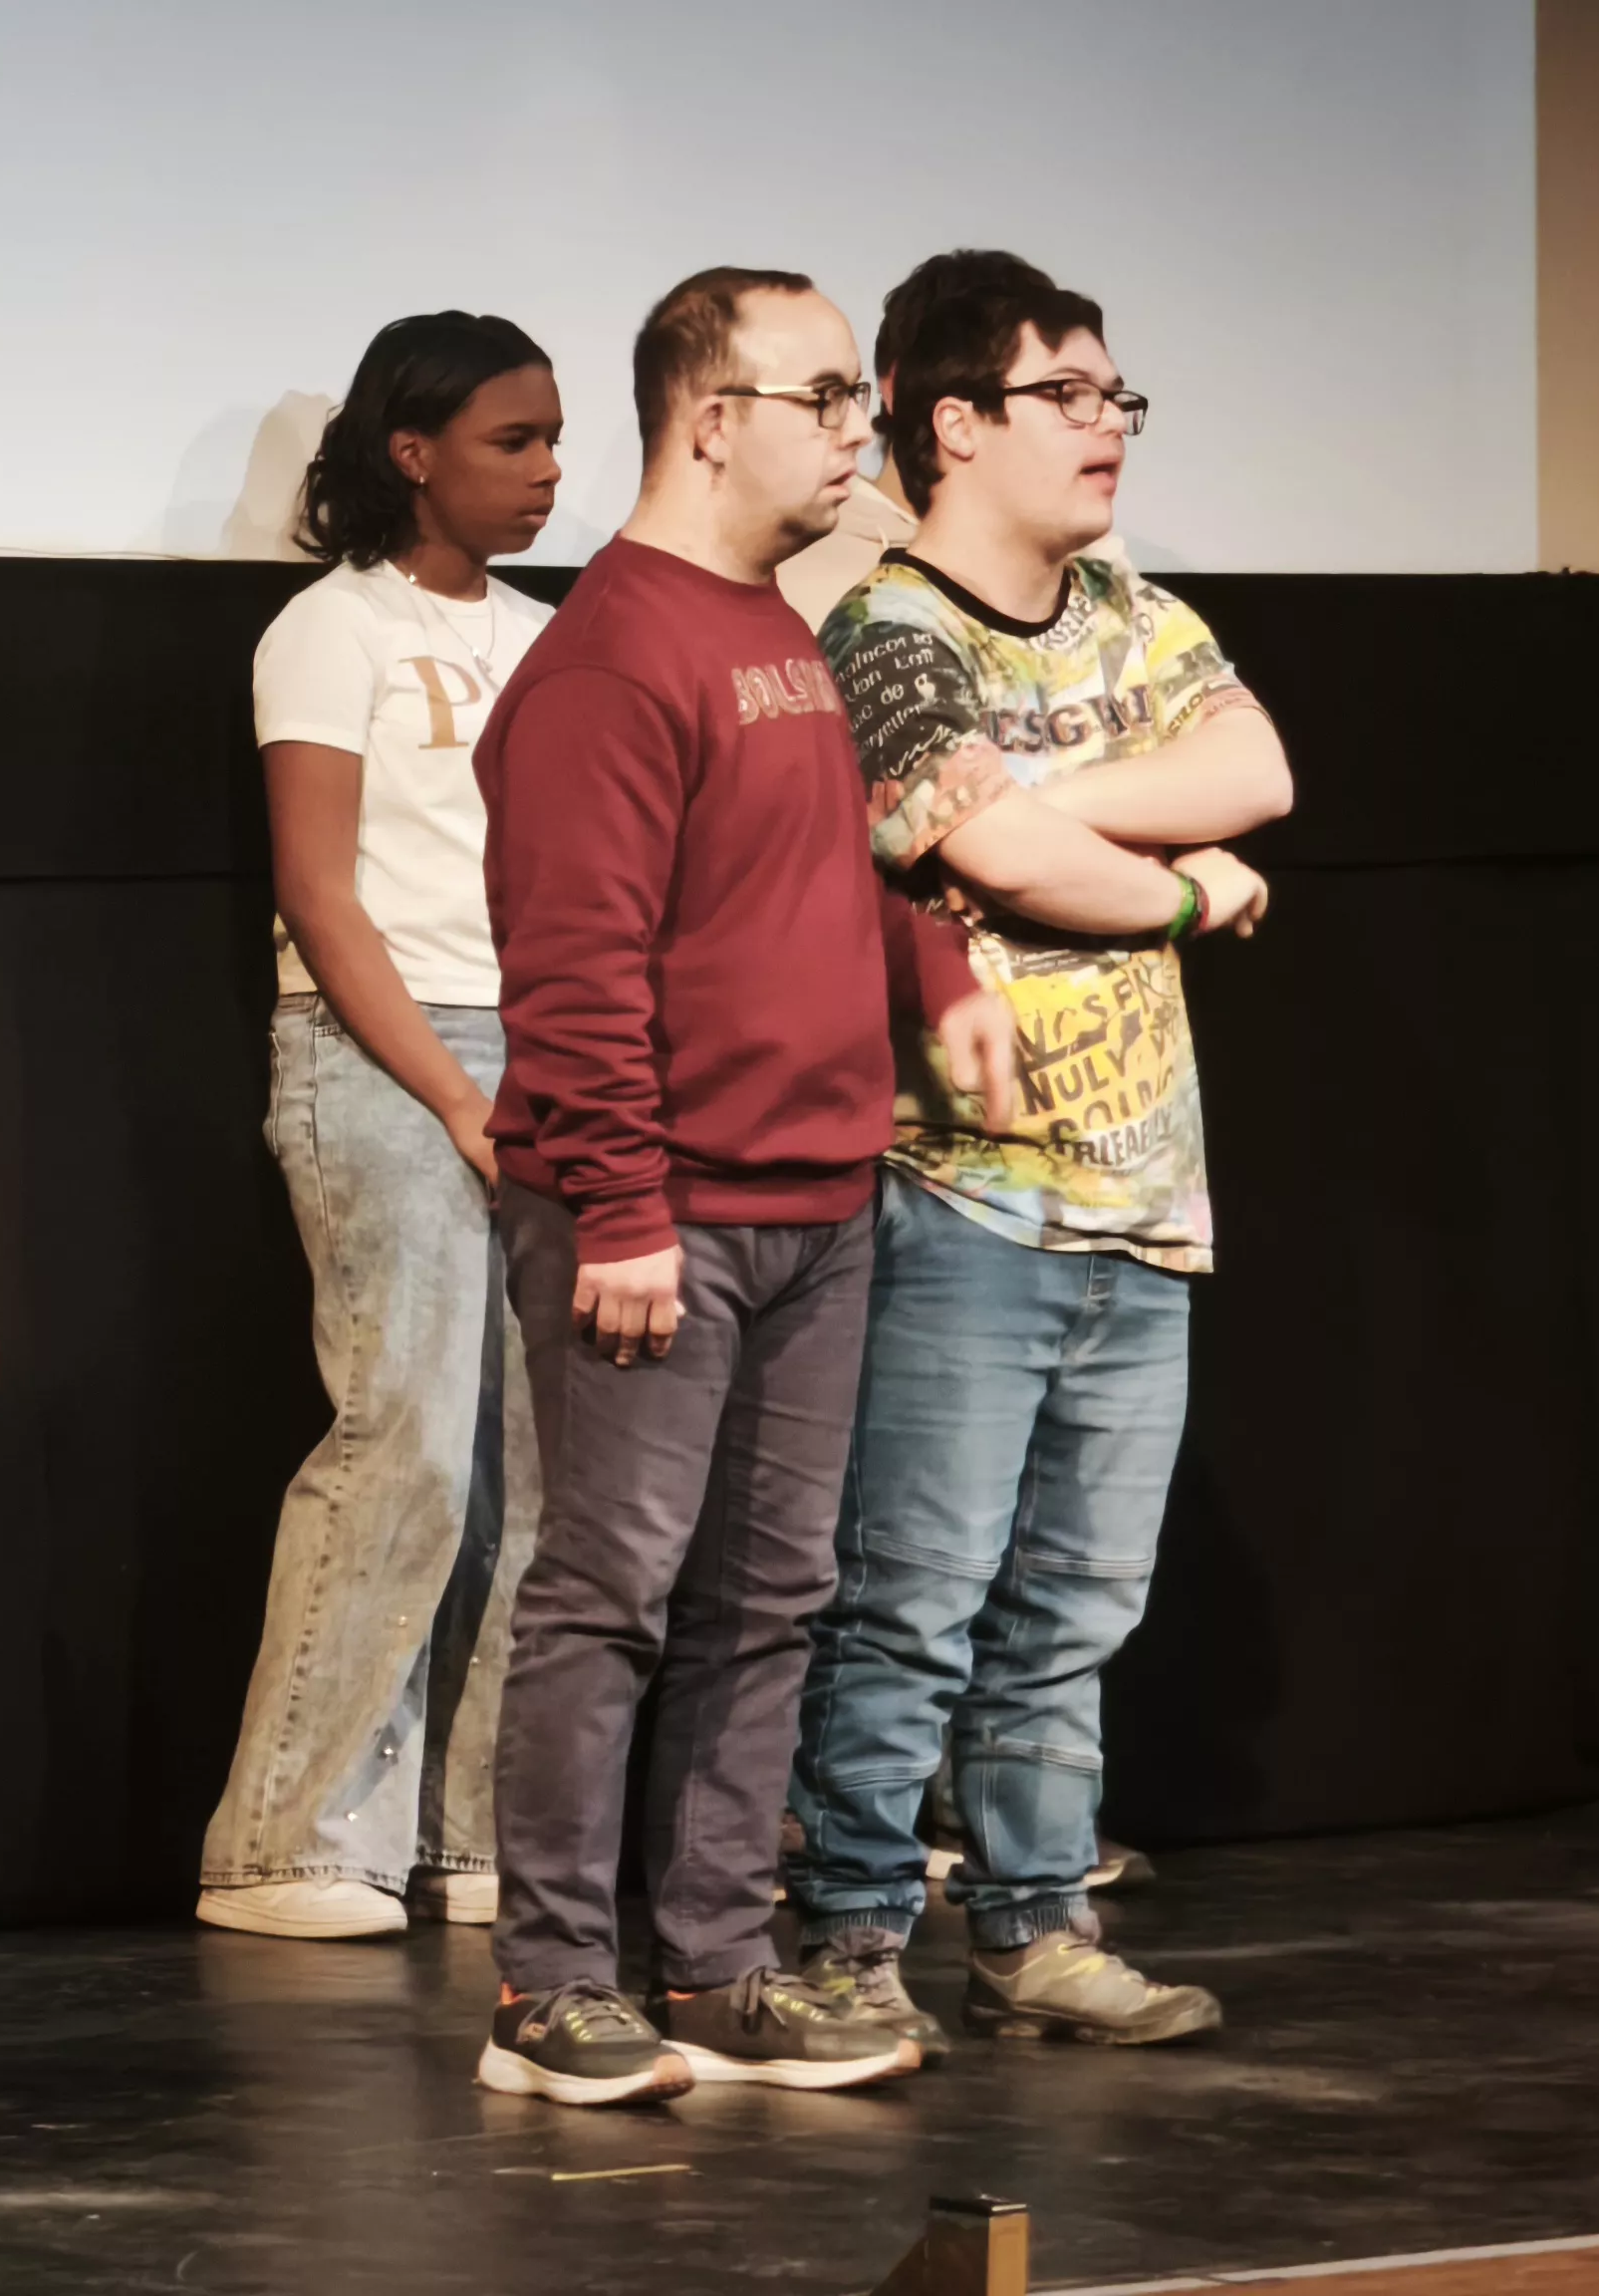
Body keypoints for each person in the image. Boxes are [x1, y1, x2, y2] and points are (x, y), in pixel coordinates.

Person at [469, 267, 1020, 2109]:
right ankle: (551, 1984)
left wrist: (937, 984)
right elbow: (573, 963)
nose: (862, 431)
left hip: (818, 1202)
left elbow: (831, 869)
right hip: (665, 1218)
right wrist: (622, 1207)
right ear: (712, 417)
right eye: (831, 396)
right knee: (612, 1592)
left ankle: (711, 1961)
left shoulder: (772, 630)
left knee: (771, 1594)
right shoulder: (614, 653)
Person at [784, 250, 1283, 2054]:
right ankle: (843, 1942)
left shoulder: (1131, 608)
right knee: (912, 1597)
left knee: (1077, 1602)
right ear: (957, 423)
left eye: (1115, 397)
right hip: (962, 1196)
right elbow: (1011, 867)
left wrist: (1007, 809)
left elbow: (1256, 768)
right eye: (1069, 396)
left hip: (1143, 1207)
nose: (1109, 429)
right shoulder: (882, 635)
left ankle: (1031, 1927)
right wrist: (1175, 887)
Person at [196, 313, 561, 1942]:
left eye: (557, 439)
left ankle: (475, 1832)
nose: (548, 471)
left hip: (549, 1046)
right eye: (512, 440)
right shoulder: (326, 630)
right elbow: (321, 894)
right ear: (412, 452)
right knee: (406, 1440)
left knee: (540, 1475)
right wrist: (458, 1094)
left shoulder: (556, 637)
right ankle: (292, 1840)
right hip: (381, 1047)